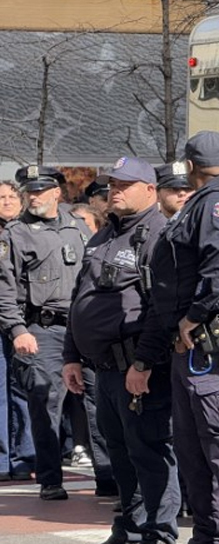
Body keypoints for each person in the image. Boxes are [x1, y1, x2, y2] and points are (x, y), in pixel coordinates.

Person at [127, 131, 219, 542]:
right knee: (196, 452)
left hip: (214, 345)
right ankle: (210, 533)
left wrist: (195, 315)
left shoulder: (218, 202)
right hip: (201, 351)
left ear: (191, 166)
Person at [62, 157, 179, 544]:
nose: (115, 190)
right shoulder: (104, 234)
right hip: (102, 369)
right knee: (120, 456)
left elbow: (160, 310)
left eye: (125, 184)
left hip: (136, 367)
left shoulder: (160, 235)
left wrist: (143, 363)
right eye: (113, 183)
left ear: (150, 190)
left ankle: (158, 531)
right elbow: (81, 296)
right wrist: (71, 356)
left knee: (148, 451)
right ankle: (131, 526)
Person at [0, 165, 114, 500]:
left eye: (39, 190)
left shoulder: (79, 227)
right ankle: (50, 478)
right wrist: (18, 329)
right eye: (29, 191)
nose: (33, 197)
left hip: (84, 327)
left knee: (99, 401)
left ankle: (108, 475)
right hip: (42, 328)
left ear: (56, 193)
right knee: (44, 398)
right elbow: (5, 289)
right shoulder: (14, 235)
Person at [0, 180, 33, 484]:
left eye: (12, 196)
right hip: (4, 320)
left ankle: (25, 456)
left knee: (23, 391)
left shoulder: (30, 230)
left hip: (26, 321)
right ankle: (3, 459)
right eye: (1, 197)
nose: (7, 201)